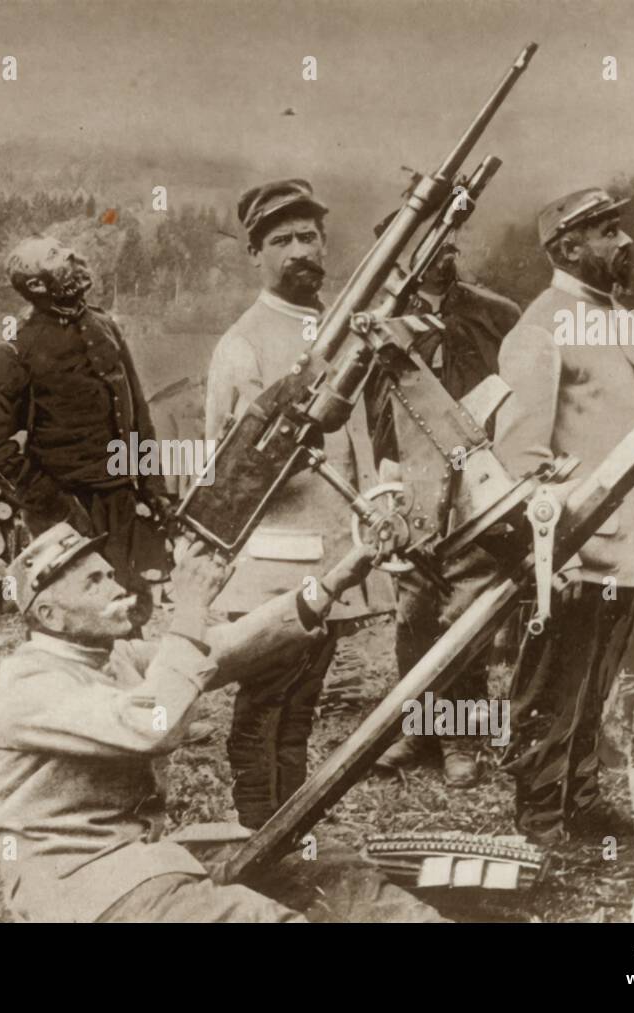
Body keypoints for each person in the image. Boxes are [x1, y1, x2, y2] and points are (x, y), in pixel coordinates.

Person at [0, 521, 445, 923]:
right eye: (94, 583)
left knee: (326, 866)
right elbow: (154, 722)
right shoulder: (28, 685)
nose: (115, 587)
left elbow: (216, 650)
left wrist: (328, 585)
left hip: (145, 864)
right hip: (81, 888)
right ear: (49, 615)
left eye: (108, 573)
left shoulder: (110, 656)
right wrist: (188, 609)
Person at [204, 179, 392, 828]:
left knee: (303, 703)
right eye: (280, 240)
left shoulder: (339, 333)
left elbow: (361, 439)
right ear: (254, 254)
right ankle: (260, 826)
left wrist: (372, 506)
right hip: (275, 563)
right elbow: (228, 472)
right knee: (264, 703)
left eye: (308, 236)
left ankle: (289, 822)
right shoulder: (243, 344)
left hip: (334, 550)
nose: (298, 251)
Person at [493, 187, 634, 843]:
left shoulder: (615, 317)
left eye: (619, 227)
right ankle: (540, 815)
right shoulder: (539, 328)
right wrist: (551, 554)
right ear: (568, 247)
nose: (623, 242)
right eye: (606, 231)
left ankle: (581, 798)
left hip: (625, 547)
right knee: (550, 687)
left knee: (595, 685)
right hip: (571, 550)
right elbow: (521, 455)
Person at [372, 240, 521, 787]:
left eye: (444, 242)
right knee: (413, 611)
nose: (436, 254)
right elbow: (373, 404)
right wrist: (386, 472)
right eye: (422, 244)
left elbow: (521, 395)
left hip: (476, 480)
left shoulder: (496, 314)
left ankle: (462, 739)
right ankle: (418, 728)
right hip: (409, 480)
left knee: (464, 613)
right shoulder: (381, 319)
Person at [0, 237, 170, 626]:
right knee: (71, 622)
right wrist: (53, 504)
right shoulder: (16, 348)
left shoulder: (106, 326)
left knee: (127, 612)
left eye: (62, 248)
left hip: (119, 503)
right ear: (36, 286)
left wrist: (153, 487)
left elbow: (138, 416)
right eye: (54, 256)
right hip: (65, 515)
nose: (70, 255)